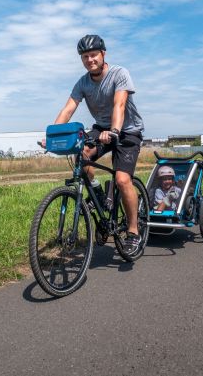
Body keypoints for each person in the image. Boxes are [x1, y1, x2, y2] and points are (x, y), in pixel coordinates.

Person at [53, 34, 145, 253]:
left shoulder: (119, 74)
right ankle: (98, 194)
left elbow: (119, 105)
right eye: (85, 57)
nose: (89, 60)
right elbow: (68, 108)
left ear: (103, 54)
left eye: (93, 55)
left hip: (127, 131)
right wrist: (54, 133)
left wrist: (113, 131)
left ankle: (133, 231)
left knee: (122, 180)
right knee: (80, 153)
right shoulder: (82, 82)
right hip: (102, 128)